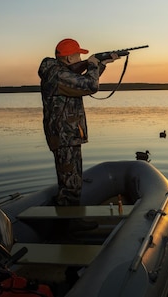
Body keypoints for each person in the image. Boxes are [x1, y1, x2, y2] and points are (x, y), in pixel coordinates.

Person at [38, 38, 119, 212]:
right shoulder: (57, 75)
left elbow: (81, 85)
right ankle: (68, 227)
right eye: (78, 55)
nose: (80, 57)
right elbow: (90, 85)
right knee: (70, 186)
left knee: (73, 181)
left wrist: (101, 64)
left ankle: (74, 219)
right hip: (64, 136)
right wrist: (92, 64)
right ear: (68, 59)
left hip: (67, 135)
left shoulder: (59, 73)